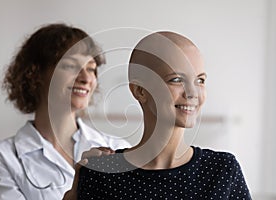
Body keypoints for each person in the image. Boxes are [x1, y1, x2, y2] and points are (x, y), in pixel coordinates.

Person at [66, 31, 252, 199]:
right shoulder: (101, 174)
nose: (192, 92)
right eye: (177, 80)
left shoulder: (223, 171)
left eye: (200, 80)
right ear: (140, 91)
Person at [0, 23, 131, 200]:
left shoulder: (119, 148)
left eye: (91, 68)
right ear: (35, 74)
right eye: (70, 66)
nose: (86, 78)